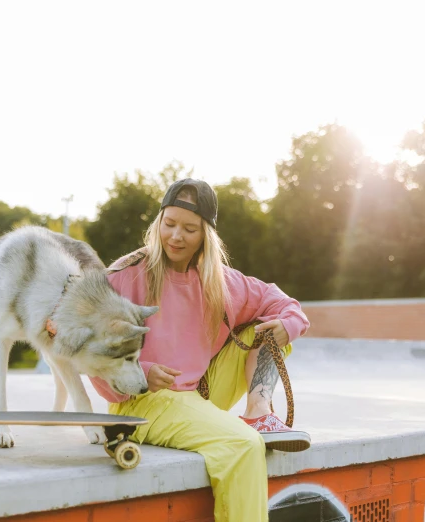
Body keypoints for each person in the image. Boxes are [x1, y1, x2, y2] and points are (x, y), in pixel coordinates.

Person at [89, 179, 310, 522]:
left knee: (270, 327)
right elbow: (90, 346)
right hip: (140, 403)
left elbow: (279, 301)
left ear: (205, 234)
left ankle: (258, 412)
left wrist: (291, 322)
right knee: (243, 446)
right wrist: (142, 372)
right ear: (158, 223)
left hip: (195, 393)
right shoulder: (128, 273)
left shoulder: (218, 281)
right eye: (169, 224)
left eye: (189, 228)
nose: (176, 236)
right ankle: (246, 435)